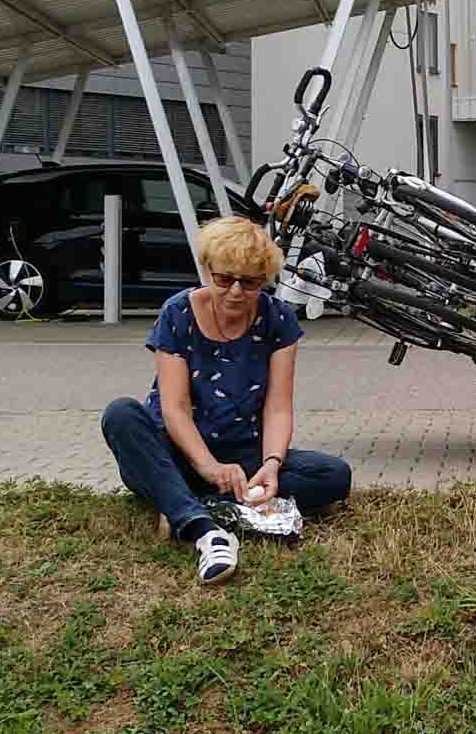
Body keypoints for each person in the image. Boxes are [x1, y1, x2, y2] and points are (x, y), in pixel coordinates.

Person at [100, 215, 352, 584]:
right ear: (206, 270)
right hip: (177, 450)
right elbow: (175, 409)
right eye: (224, 279)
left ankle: (188, 501)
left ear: (264, 279)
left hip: (243, 452)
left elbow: (278, 407)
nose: (235, 291)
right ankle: (205, 530)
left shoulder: (278, 318)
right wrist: (208, 467)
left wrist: (271, 463)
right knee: (121, 414)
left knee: (334, 475)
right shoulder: (177, 312)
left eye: (249, 282)